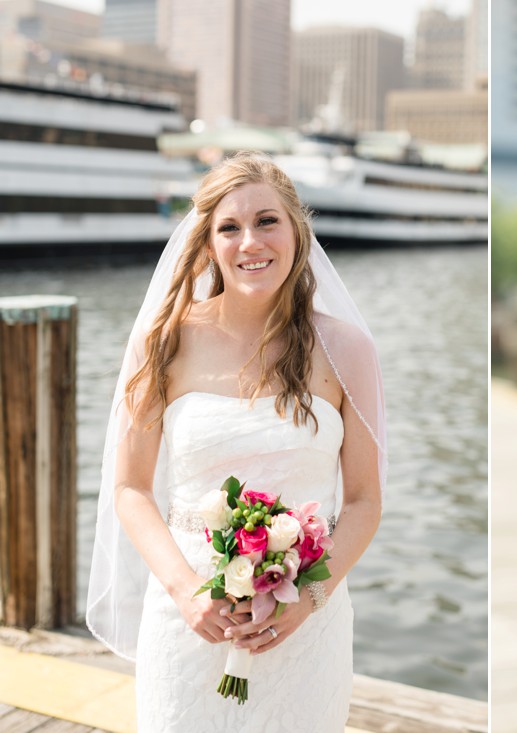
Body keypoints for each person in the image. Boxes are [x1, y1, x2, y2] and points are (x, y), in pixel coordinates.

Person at [85, 152, 386, 731]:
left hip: (306, 623)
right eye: (230, 227)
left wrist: (308, 601)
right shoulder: (164, 342)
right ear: (207, 245)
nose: (251, 241)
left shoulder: (349, 350)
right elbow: (129, 487)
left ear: (297, 230)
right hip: (189, 616)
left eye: (268, 220)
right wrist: (186, 591)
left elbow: (364, 501)